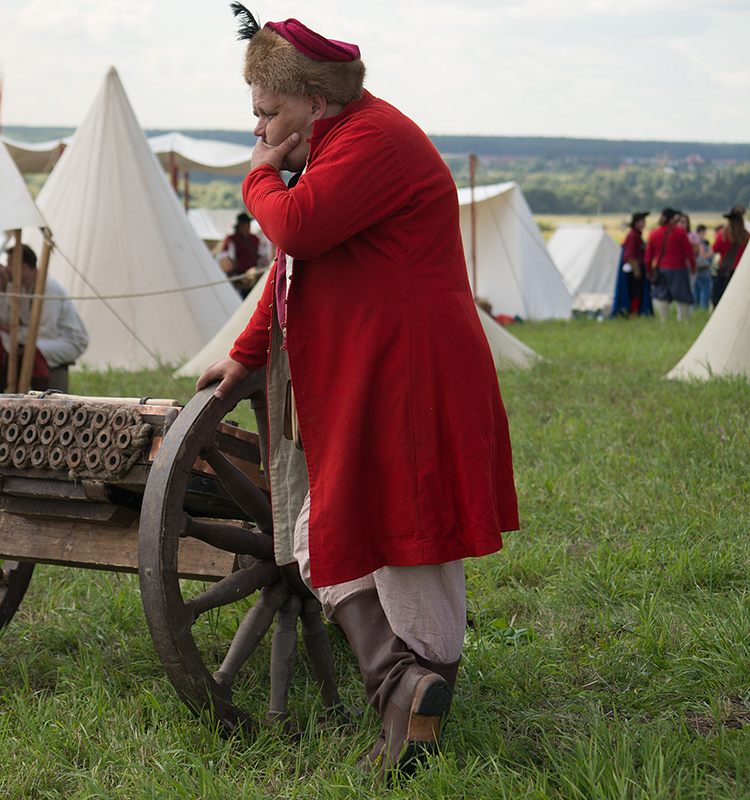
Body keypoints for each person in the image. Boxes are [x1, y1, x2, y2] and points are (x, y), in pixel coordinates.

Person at [198, 6, 518, 778]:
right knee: (341, 533)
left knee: (409, 534)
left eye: (269, 111)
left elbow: (298, 231)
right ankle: (408, 692)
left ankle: (411, 696)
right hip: (376, 371)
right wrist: (245, 356)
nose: (260, 129)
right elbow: (294, 270)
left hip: (410, 373)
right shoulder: (340, 143)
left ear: (313, 98)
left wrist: (257, 178)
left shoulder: (373, 138)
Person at [0, 244, 88, 392]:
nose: (6, 269)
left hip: (67, 340)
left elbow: (46, 333)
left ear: (23, 267)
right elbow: (5, 322)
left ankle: (44, 404)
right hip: (36, 336)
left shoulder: (48, 287)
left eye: (10, 264)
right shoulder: (20, 285)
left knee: (33, 351)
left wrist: (15, 332)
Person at [645, 208, 695, 321]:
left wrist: (648, 270)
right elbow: (689, 252)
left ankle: (664, 320)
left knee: (662, 296)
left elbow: (648, 256)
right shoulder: (680, 232)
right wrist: (693, 266)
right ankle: (683, 320)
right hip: (679, 268)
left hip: (661, 268)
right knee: (683, 296)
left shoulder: (654, 233)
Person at [218, 212, 267, 296]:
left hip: (253, 275)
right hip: (239, 276)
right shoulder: (232, 240)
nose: (247, 226)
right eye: (244, 224)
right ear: (240, 226)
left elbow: (261, 256)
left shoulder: (254, 239)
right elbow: (229, 260)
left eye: (247, 224)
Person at [712, 205, 748, 307]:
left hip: (725, 270)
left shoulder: (722, 234)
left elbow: (714, 249)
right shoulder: (747, 236)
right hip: (741, 271)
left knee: (719, 298)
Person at [620, 211, 650, 316]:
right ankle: (634, 314)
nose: (644, 223)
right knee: (636, 292)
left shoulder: (636, 234)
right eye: (642, 221)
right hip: (635, 268)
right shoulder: (633, 236)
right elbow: (631, 255)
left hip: (636, 266)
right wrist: (637, 271)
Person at [691, 223, 713, 312]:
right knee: (704, 292)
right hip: (703, 271)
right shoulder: (700, 243)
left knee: (695, 292)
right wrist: (711, 252)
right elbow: (702, 256)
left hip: (696, 271)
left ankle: (694, 309)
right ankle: (703, 310)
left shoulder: (694, 242)